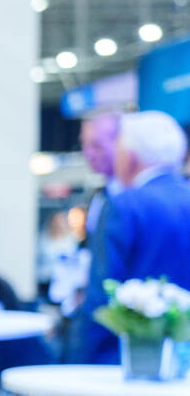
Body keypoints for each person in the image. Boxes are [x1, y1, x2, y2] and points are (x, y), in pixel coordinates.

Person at [80, 110, 190, 364]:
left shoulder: (124, 205)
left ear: (129, 157)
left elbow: (102, 294)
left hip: (130, 358)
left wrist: (79, 359)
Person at [60, 110, 125, 363]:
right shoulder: (99, 197)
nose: (89, 153)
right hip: (91, 319)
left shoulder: (132, 200)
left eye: (97, 145)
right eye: (85, 145)